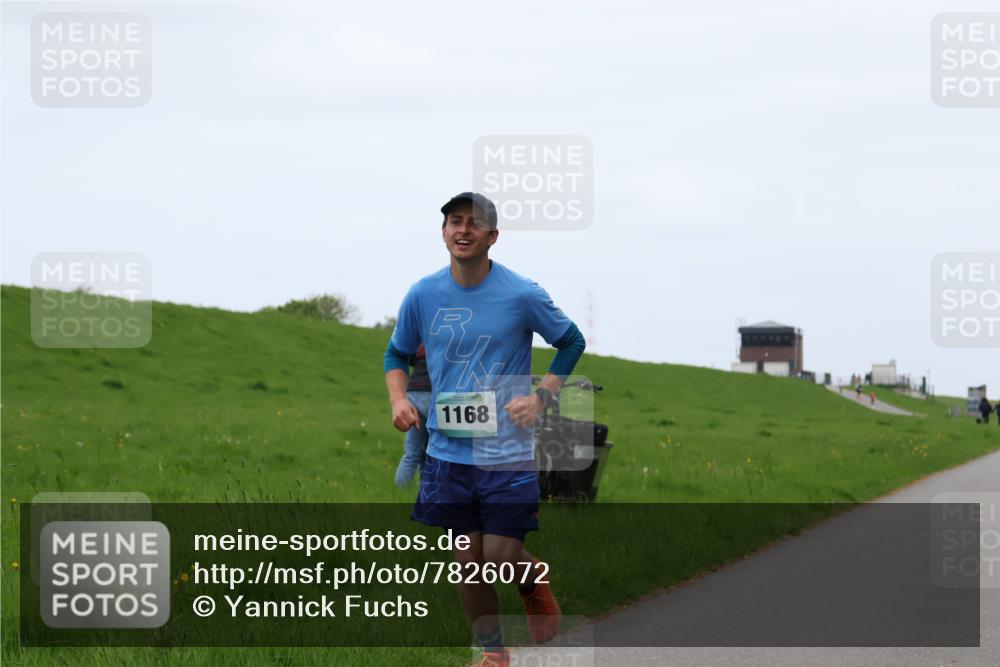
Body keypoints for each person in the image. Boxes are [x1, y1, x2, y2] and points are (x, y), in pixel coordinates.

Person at [383, 192, 585, 667]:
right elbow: (396, 354)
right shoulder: (422, 293)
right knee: (468, 566)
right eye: (455, 222)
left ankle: (532, 582)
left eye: (475, 224)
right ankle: (494, 652)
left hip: (507, 454)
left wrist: (541, 397)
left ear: (493, 236)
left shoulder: (522, 293)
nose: (463, 230)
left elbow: (570, 340)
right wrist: (397, 399)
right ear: (444, 231)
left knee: (497, 555)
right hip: (448, 456)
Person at [394, 344, 431, 487]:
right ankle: (428, 493)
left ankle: (399, 491)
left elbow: (408, 359)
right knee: (434, 452)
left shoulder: (419, 343)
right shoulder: (443, 339)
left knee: (412, 453)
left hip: (413, 394)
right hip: (435, 394)